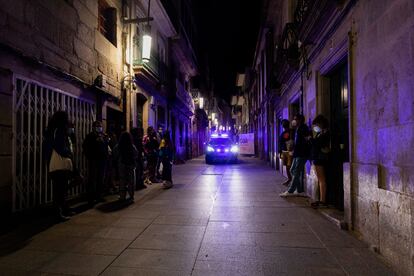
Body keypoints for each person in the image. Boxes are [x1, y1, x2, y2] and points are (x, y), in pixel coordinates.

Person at [44, 111, 74, 221]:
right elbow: (60, 146)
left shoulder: (51, 130)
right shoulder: (59, 130)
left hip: (54, 164)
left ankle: (63, 209)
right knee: (60, 190)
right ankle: (58, 213)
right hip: (59, 165)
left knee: (59, 189)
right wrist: (68, 153)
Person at [280, 113, 310, 197]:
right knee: (293, 170)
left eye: (296, 119)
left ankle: (290, 191)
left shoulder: (304, 128)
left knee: (296, 171)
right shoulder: (298, 128)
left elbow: (305, 141)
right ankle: (299, 190)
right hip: (297, 153)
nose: (294, 121)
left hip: (302, 154)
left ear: (300, 120)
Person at [83, 121, 110, 205]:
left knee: (100, 179)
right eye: (98, 126)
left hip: (102, 160)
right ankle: (91, 198)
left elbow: (106, 147)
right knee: (92, 178)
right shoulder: (90, 136)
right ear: (94, 127)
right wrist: (90, 157)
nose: (99, 128)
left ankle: (99, 196)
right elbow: (86, 147)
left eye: (100, 126)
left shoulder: (104, 136)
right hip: (94, 160)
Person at [310, 115, 330, 208]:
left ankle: (323, 200)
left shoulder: (325, 134)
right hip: (317, 157)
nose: (315, 127)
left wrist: (311, 140)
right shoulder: (320, 133)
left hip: (320, 158)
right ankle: (321, 199)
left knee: (322, 180)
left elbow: (318, 144)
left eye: (316, 125)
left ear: (321, 124)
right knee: (320, 179)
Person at [113, 132, 138, 201]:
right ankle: (131, 195)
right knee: (131, 180)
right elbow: (136, 154)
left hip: (122, 163)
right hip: (130, 164)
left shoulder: (119, 146)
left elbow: (115, 153)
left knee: (122, 180)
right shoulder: (131, 146)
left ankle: (122, 196)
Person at [279, 119, 293, 185]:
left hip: (288, 152)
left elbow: (285, 140)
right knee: (287, 166)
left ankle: (291, 179)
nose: (283, 125)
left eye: (284, 124)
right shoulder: (285, 132)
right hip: (284, 151)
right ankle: (289, 179)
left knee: (289, 166)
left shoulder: (289, 132)